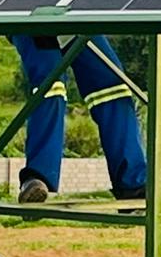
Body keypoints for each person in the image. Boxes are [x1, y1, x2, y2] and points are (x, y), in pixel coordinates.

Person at [11, 34, 148, 203]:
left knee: (113, 86)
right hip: (35, 17)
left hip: (78, 19)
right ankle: (37, 178)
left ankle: (133, 185)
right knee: (50, 84)